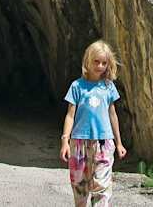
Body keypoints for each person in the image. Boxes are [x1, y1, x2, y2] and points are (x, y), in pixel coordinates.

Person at [60, 40, 127, 207]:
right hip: (78, 143)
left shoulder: (108, 87)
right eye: (96, 61)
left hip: (104, 143)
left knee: (102, 187)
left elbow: (113, 115)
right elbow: (70, 115)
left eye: (104, 63)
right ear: (87, 61)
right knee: (79, 186)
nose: (100, 66)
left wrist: (119, 143)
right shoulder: (77, 86)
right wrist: (65, 141)